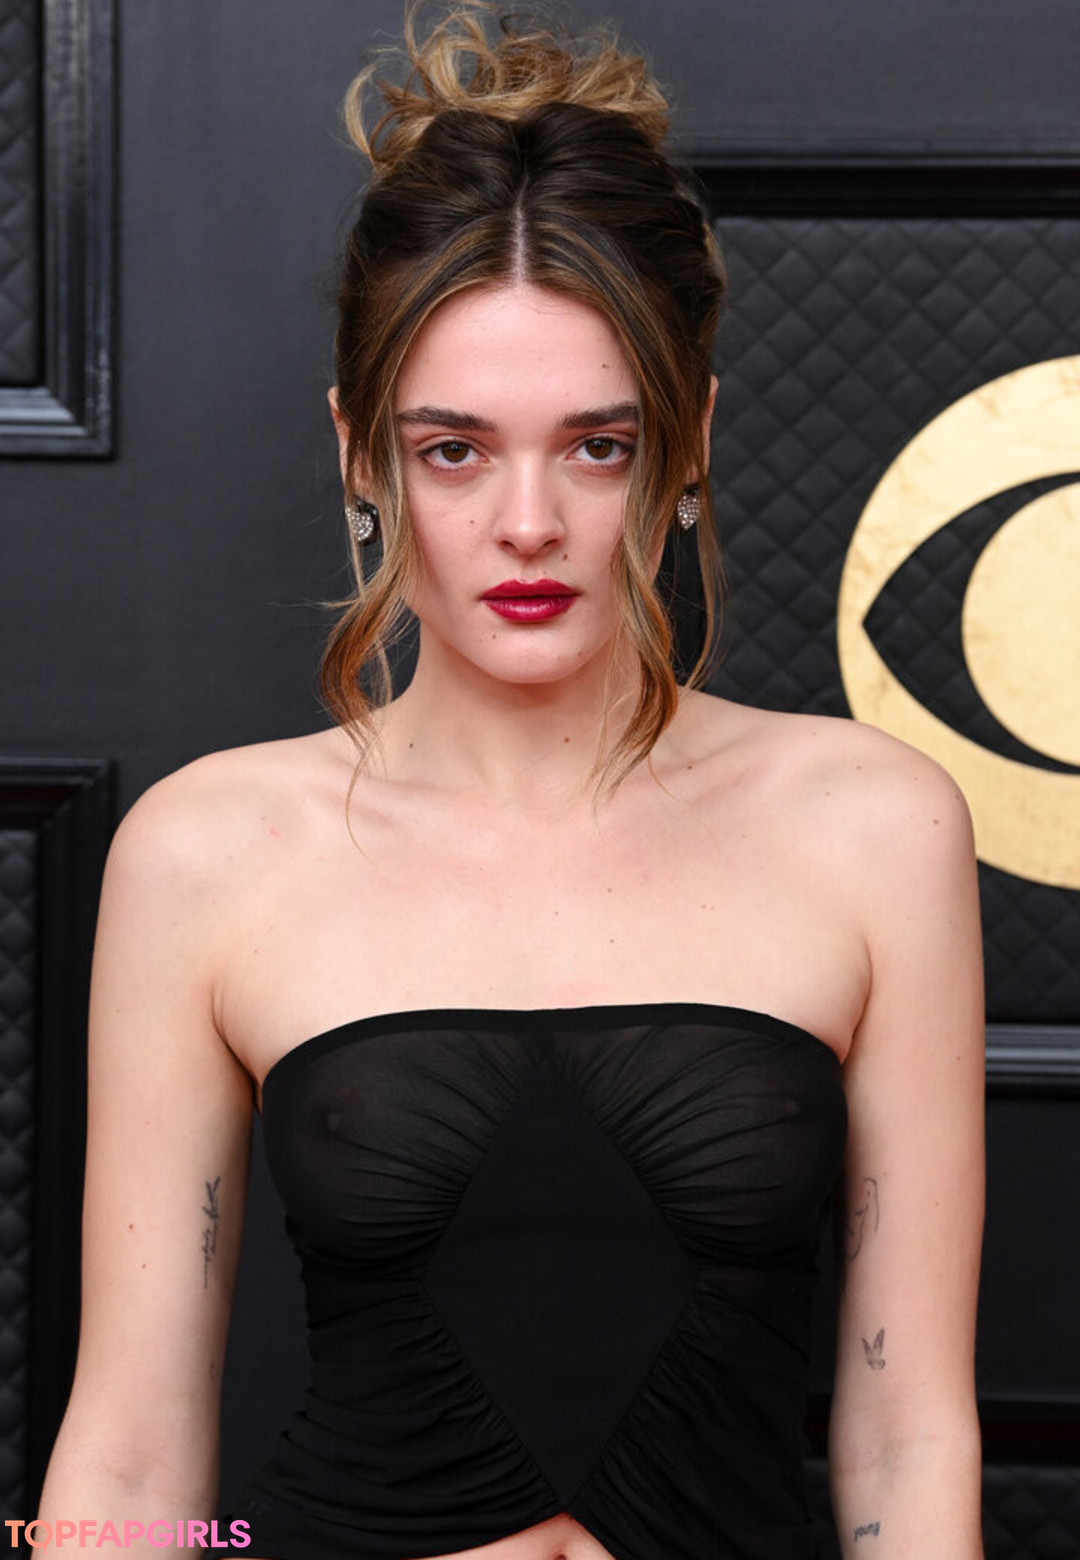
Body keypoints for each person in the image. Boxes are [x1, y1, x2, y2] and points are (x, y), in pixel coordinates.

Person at [39, 3, 986, 1557]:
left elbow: (906, 1438)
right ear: (362, 454)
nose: (527, 522)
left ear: (687, 446)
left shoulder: (873, 827)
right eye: (455, 449)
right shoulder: (207, 851)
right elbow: (133, 1460)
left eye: (597, 445)